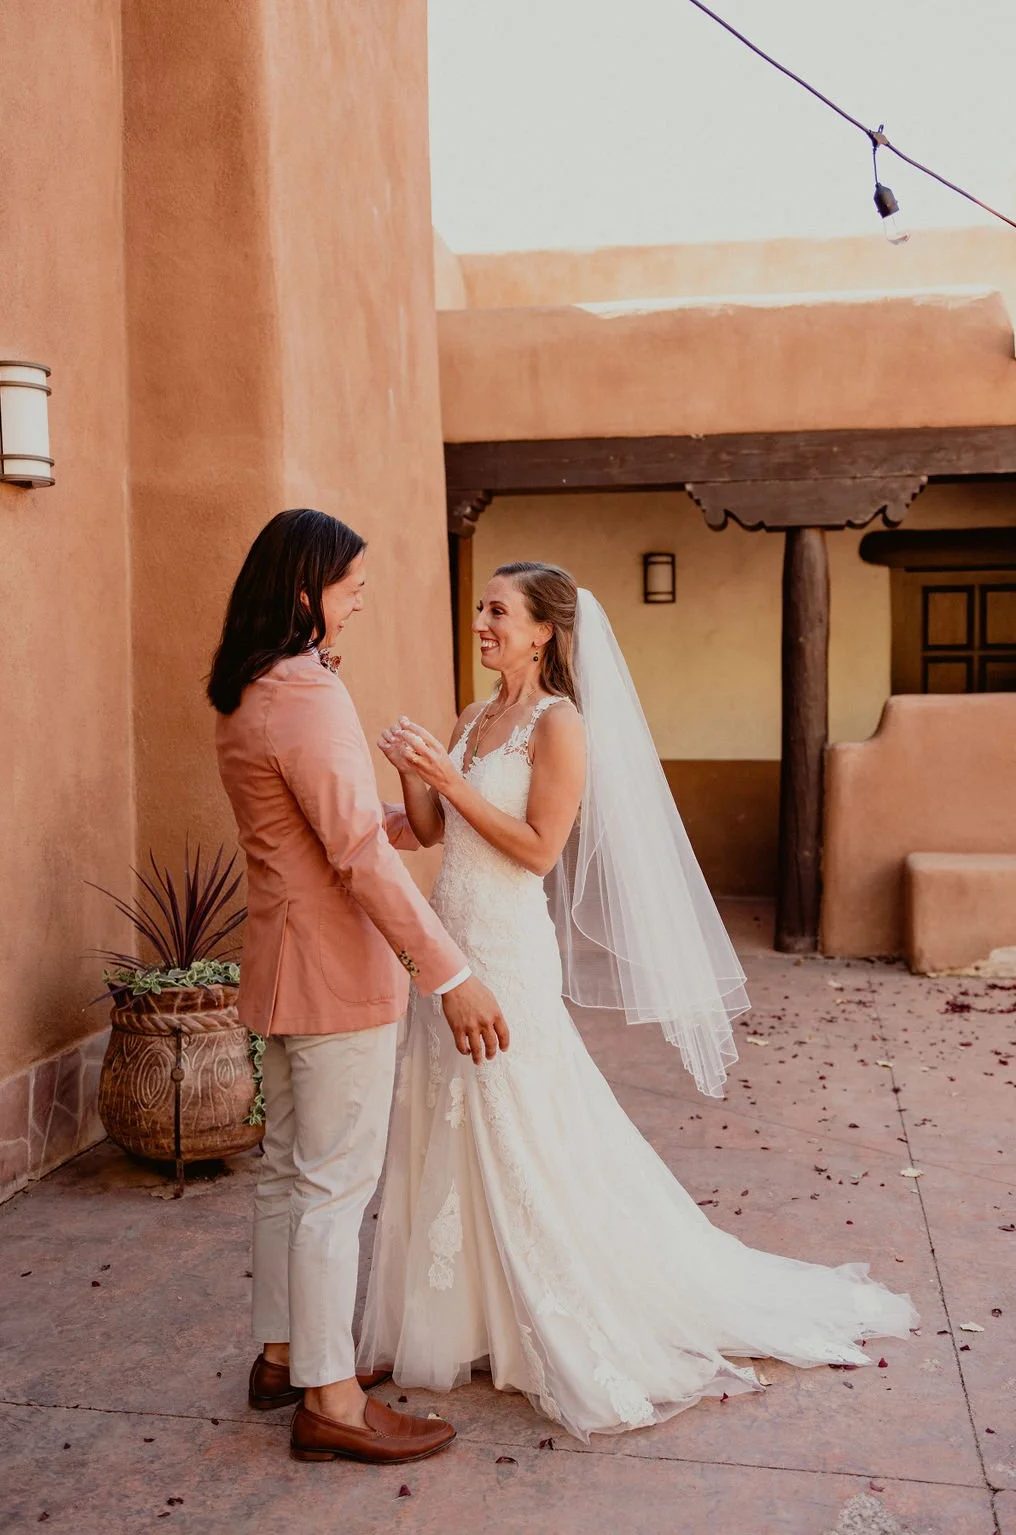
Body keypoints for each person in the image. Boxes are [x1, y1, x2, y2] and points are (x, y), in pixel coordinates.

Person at [358, 560, 918, 1442]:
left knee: (524, 1121)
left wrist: (453, 781)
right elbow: (433, 833)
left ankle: (564, 1306)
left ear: (544, 629)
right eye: (480, 608)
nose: (482, 622)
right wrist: (415, 771)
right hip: (451, 946)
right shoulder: (473, 715)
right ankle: (456, 1317)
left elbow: (541, 850)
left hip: (507, 950)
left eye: (498, 611)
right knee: (448, 1114)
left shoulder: (560, 724)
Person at [209, 508, 508, 1464]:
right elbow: (354, 857)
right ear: (307, 593)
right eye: (352, 586)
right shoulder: (308, 692)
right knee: (336, 1184)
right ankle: (330, 1401)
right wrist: (450, 972)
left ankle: (287, 1352)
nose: (362, 599)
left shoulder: (251, 688)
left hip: (283, 967)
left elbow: (325, 823)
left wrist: (408, 817)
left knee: (290, 1171)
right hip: (337, 974)